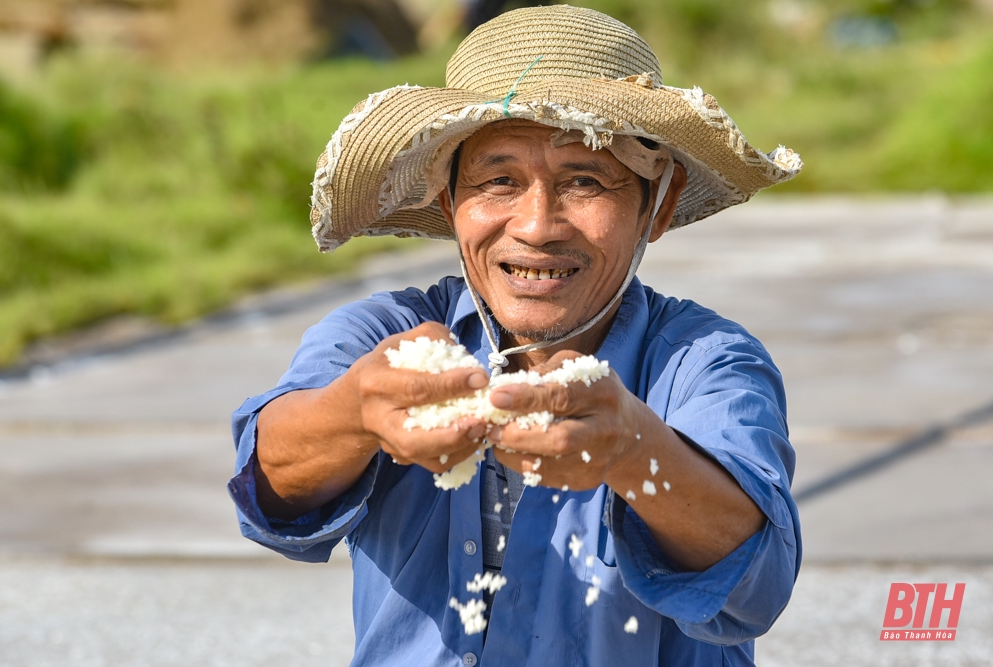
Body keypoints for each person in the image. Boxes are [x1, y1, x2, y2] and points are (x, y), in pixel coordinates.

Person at [229, 6, 803, 666]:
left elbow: (759, 583)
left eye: (585, 180)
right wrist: (356, 414)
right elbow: (269, 483)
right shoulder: (383, 336)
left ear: (659, 204)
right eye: (498, 180)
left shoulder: (706, 362)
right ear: (450, 204)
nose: (537, 225)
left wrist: (632, 449)